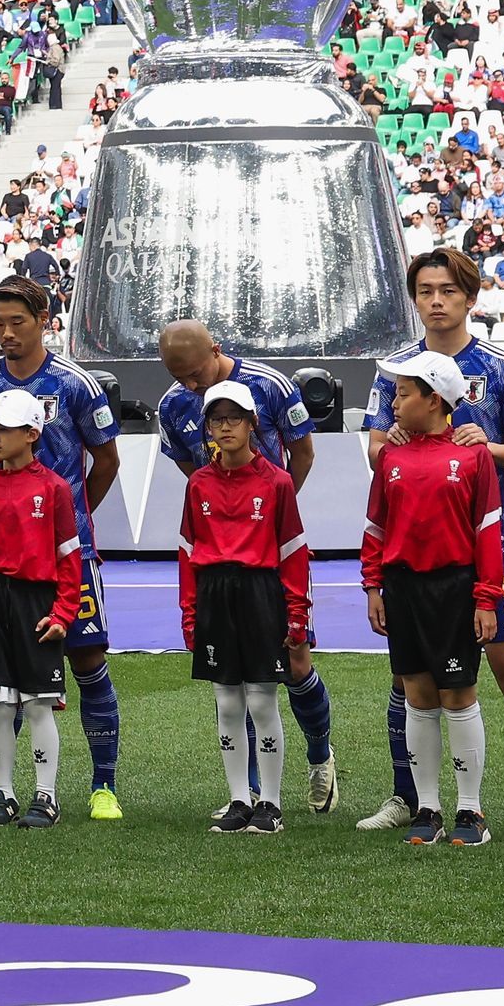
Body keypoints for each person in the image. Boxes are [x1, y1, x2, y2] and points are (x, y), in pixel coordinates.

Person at [377, 256, 504, 833]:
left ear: (469, 298)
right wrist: (394, 442)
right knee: (411, 678)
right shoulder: (394, 373)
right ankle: (408, 798)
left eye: (449, 291)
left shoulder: (501, 367)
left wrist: (481, 447)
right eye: (426, 291)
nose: (437, 300)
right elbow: (375, 453)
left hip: (487, 547)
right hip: (416, 554)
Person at [0, 277, 123, 821]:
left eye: (16, 323)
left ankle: (103, 785)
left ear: (45, 317)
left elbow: (108, 461)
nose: (5, 334)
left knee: (87, 659)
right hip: (6, 568)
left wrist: (72, 521)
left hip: (68, 556)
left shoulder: (77, 384)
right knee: (1, 677)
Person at [163, 320, 337, 814]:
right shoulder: (173, 406)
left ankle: (320, 755)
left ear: (215, 351)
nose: (190, 386)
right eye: (181, 379)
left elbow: (302, 451)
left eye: (196, 373)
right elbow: (193, 477)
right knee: (232, 688)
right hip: (222, 561)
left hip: (268, 554)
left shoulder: (272, 386)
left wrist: (268, 515)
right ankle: (252, 794)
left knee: (295, 666)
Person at [362, 361, 504, 848]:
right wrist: (373, 587)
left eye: (403, 395)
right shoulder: (391, 457)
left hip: (453, 589)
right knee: (418, 697)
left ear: (434, 399)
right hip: (403, 589)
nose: (394, 405)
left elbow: (488, 532)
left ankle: (471, 811)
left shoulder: (473, 457)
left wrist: (486, 598)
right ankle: (428, 808)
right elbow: (375, 527)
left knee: (458, 694)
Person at [176, 373, 315, 834]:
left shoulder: (276, 482)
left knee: (261, 700)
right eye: (217, 420)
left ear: (253, 423)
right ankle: (239, 799)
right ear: (208, 428)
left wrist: (297, 613)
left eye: (234, 418)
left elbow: (294, 551)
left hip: (261, 593)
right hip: (215, 595)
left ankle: (270, 804)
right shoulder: (198, 483)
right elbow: (187, 550)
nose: (226, 427)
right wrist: (190, 611)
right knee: (227, 703)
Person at [0, 390, 89, 826]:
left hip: (36, 602)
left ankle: (46, 797)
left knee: (38, 704)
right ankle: (4, 795)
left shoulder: (53, 488)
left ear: (32, 433)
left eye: (4, 428)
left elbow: (70, 557)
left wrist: (65, 612)